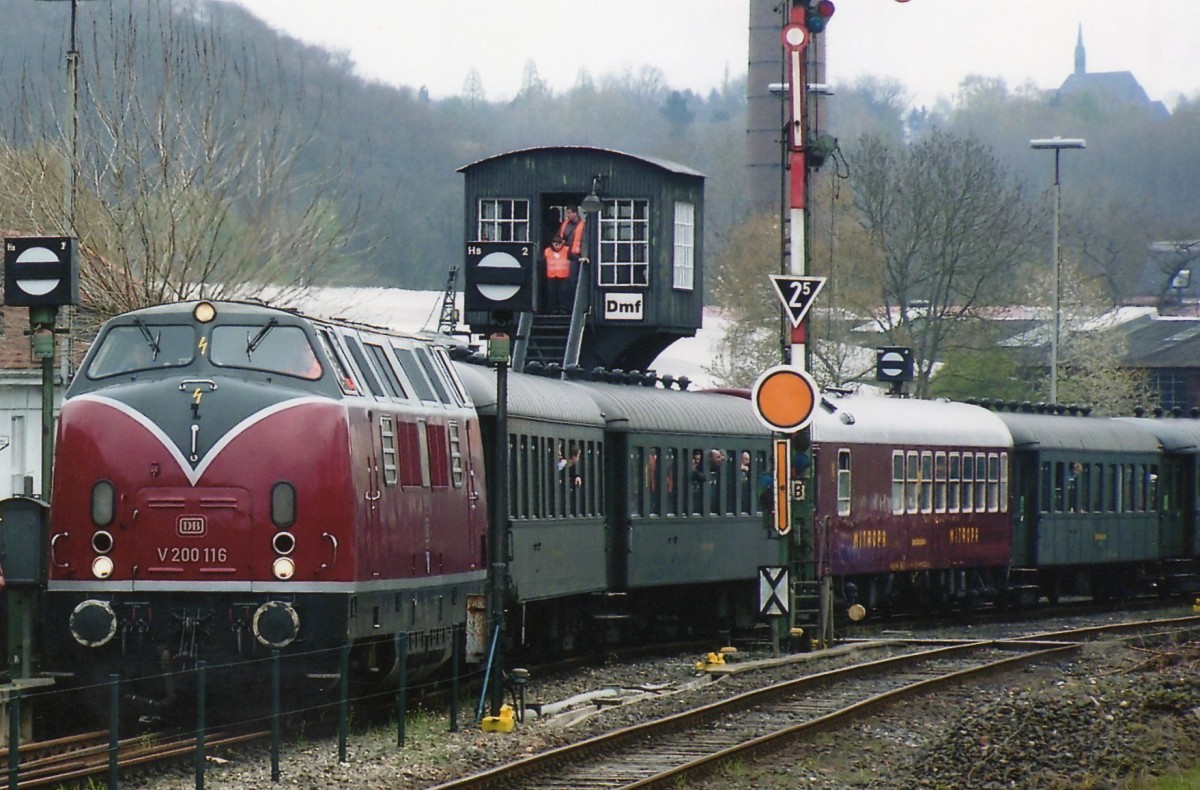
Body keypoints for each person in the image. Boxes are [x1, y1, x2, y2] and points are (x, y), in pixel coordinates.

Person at [557, 205, 587, 313]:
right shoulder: (564, 225)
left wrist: (584, 256)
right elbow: (558, 238)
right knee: (562, 283)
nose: (567, 215)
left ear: (575, 213)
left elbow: (585, 241)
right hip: (562, 257)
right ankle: (563, 307)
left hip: (575, 258)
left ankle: (572, 307)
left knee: (572, 282)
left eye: (569, 213)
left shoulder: (583, 225)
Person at [543, 235, 571, 313]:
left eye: (559, 244)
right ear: (552, 243)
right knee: (552, 293)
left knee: (563, 293)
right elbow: (542, 262)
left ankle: (563, 309)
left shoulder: (566, 250)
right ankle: (552, 309)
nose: (558, 246)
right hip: (551, 276)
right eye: (556, 244)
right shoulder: (547, 251)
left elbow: (573, 257)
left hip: (563, 275)